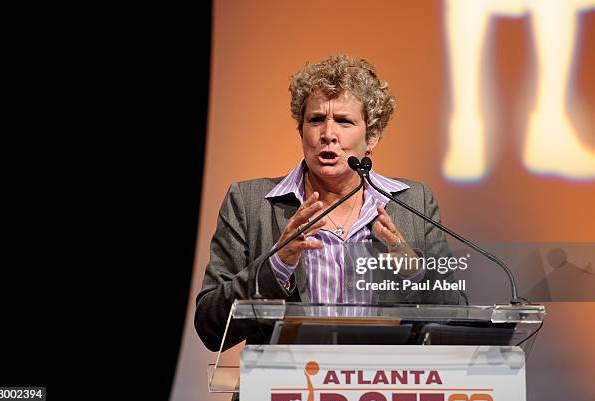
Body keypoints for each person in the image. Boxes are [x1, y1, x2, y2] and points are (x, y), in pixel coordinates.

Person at [194, 54, 466, 357]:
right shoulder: (249, 203)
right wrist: (277, 264)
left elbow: (457, 313)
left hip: (382, 390)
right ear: (301, 131)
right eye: (316, 120)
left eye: (344, 121)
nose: (328, 134)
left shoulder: (413, 203)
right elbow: (210, 325)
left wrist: (415, 272)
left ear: (372, 136)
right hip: (284, 393)